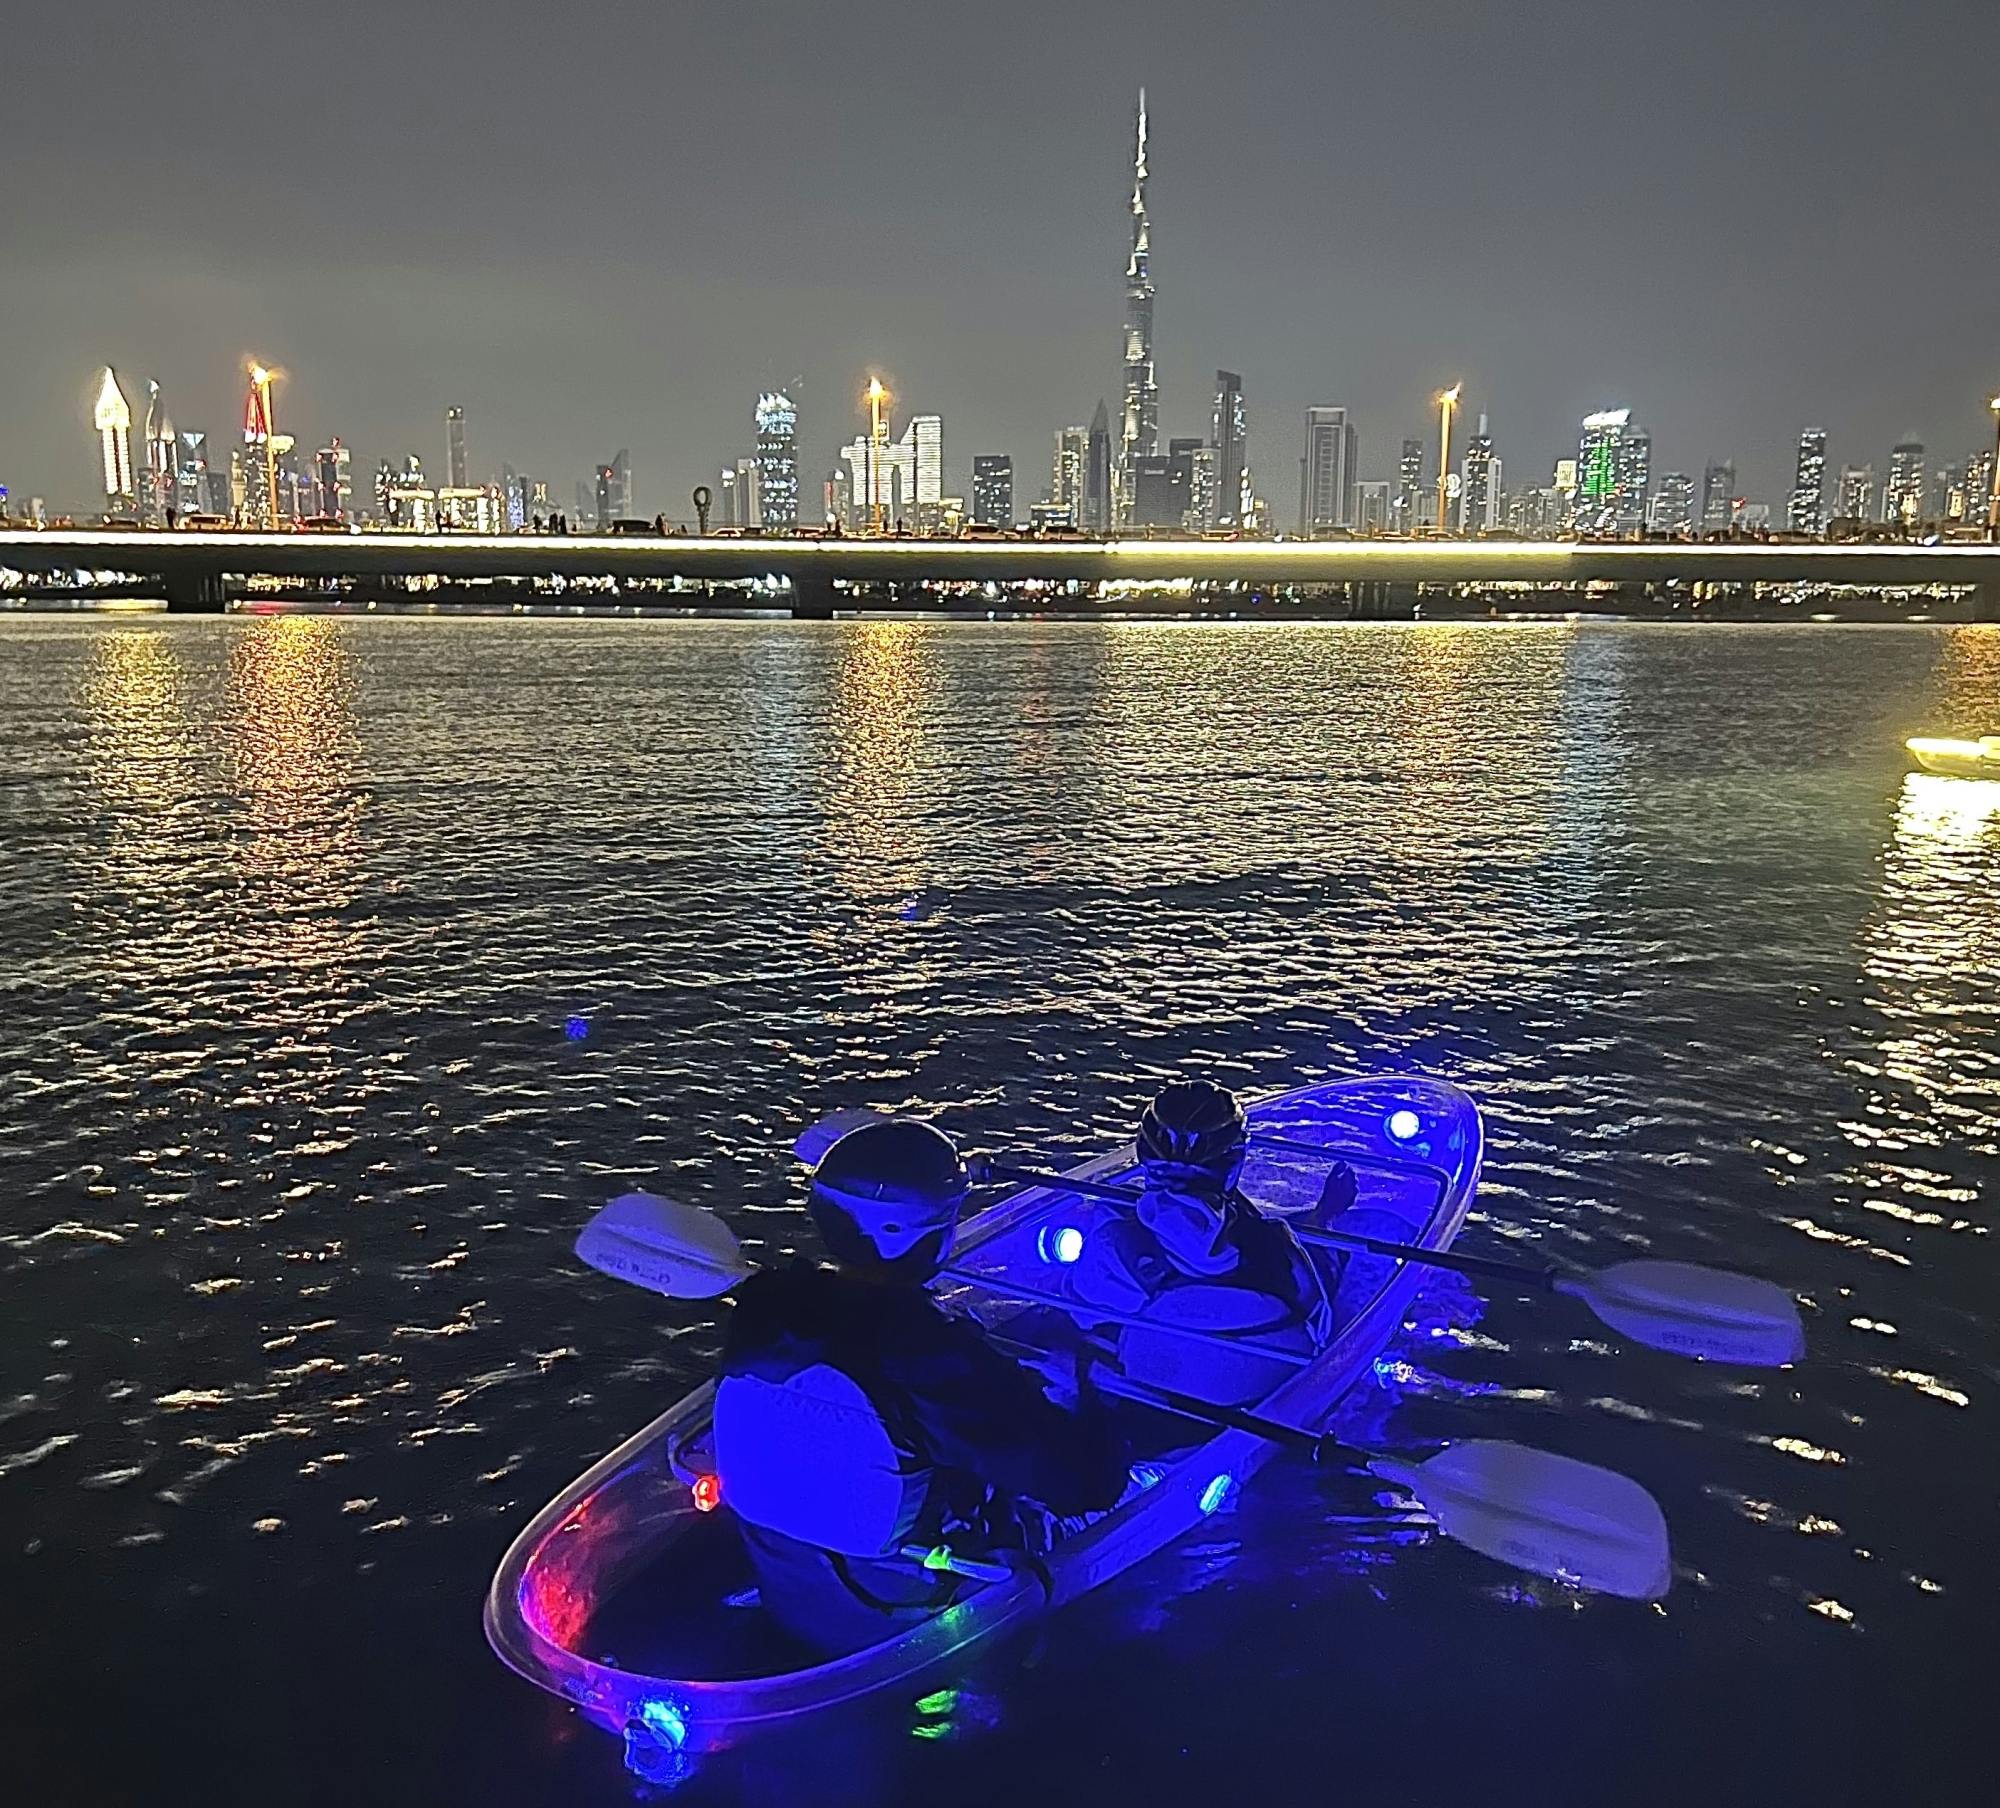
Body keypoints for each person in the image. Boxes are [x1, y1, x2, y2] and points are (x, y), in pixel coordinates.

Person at [715, 1118, 1128, 1656]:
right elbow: (1085, 1484)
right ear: (913, 1237)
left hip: (792, 1588)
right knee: (1110, 1488)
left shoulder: (766, 1311)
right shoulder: (933, 1358)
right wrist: (1089, 1398)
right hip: (902, 1619)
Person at [1064, 1080, 1337, 1402]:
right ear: (1233, 1165)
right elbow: (1320, 1326)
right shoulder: (1274, 1243)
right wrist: (1322, 1219)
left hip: (1145, 1406)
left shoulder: (1114, 1242)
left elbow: (1079, 1316)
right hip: (1259, 1399)